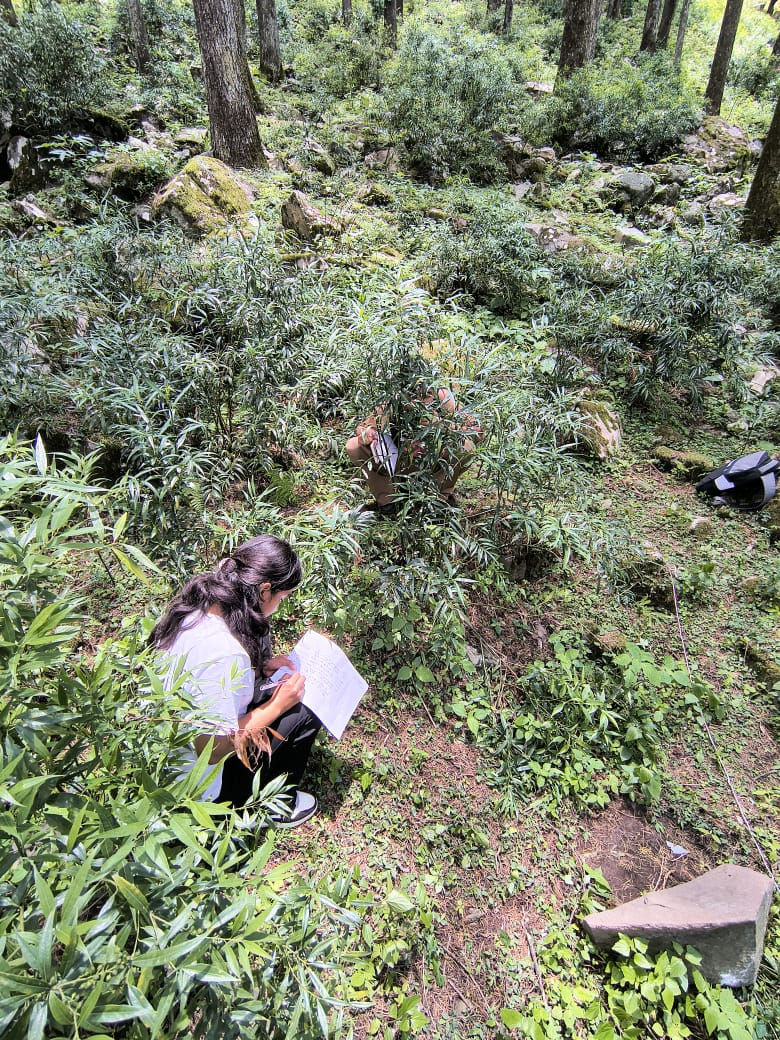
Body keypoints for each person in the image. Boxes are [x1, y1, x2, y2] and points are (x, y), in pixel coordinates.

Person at [150, 535, 320, 828]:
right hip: (199, 792)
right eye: (283, 597)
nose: (282, 604)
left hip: (162, 758)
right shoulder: (224, 655)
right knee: (306, 710)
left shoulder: (198, 607)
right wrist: (277, 706)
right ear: (265, 590)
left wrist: (261, 667)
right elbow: (211, 750)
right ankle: (272, 805)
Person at [345, 382, 483, 517]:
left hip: (435, 463)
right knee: (354, 446)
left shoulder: (443, 398)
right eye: (411, 396)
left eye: (424, 396)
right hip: (399, 463)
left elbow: (477, 431)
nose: (416, 401)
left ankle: (438, 500)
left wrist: (438, 427)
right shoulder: (394, 400)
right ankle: (387, 502)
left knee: (466, 446)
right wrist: (366, 434)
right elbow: (363, 427)